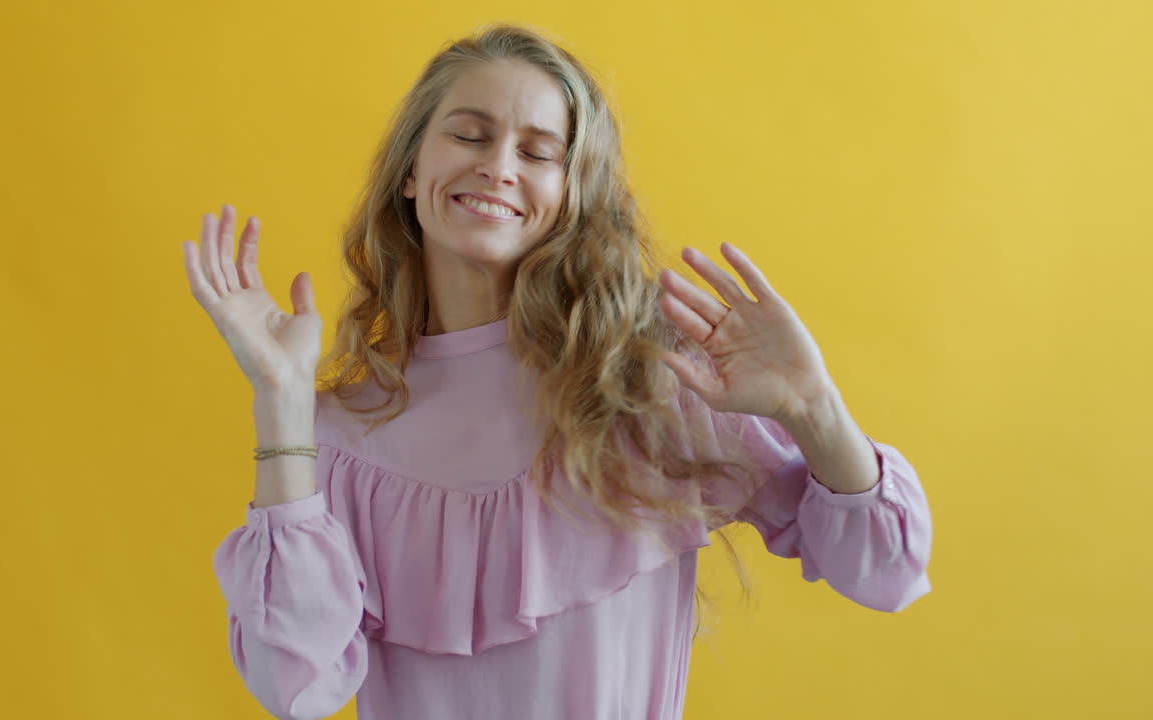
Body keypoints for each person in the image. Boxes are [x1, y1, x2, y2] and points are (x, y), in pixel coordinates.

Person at [181, 23, 932, 720]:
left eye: (539, 152)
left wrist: (815, 409)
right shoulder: (343, 434)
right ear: (411, 172)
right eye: (469, 134)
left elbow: (887, 572)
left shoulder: (650, 379)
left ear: (571, 196)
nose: (498, 167)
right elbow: (296, 684)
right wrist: (281, 402)